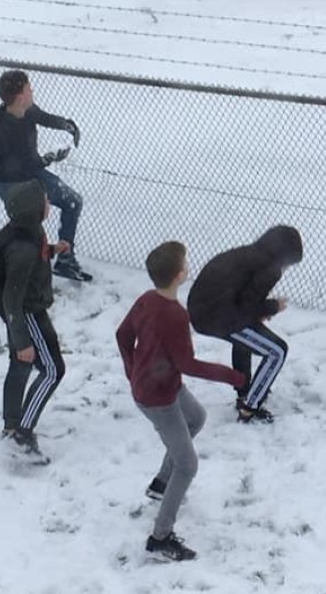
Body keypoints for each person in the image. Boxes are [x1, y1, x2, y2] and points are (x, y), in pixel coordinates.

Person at [116, 241, 246, 562]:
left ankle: (161, 482)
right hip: (157, 398)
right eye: (186, 263)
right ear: (179, 275)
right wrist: (233, 376)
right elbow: (189, 364)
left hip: (162, 386)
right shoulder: (174, 315)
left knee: (197, 419)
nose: (188, 266)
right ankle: (160, 537)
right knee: (188, 465)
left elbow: (123, 335)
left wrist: (133, 370)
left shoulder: (147, 300)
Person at [186, 226, 302, 423]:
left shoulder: (249, 254)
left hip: (203, 310)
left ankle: (244, 392)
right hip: (218, 317)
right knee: (277, 351)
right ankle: (250, 407)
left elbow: (244, 301)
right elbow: (247, 307)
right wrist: (273, 306)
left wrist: (259, 311)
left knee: (246, 338)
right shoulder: (270, 269)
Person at [0, 70, 88, 281]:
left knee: (72, 201)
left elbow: (45, 118)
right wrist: (49, 158)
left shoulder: (27, 111)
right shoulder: (2, 129)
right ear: (19, 96)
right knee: (29, 225)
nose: (32, 91)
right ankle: (24, 271)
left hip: (33, 173)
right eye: (28, 88)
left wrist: (67, 125)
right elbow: (14, 168)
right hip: (12, 184)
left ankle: (65, 260)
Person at [0, 179, 69, 463]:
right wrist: (22, 340)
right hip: (28, 315)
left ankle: (12, 424)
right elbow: (11, 300)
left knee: (20, 366)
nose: (49, 204)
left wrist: (52, 250)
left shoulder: (31, 232)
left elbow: (35, 260)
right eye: (45, 201)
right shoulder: (22, 250)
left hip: (28, 312)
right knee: (53, 370)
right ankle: (22, 433)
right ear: (34, 209)